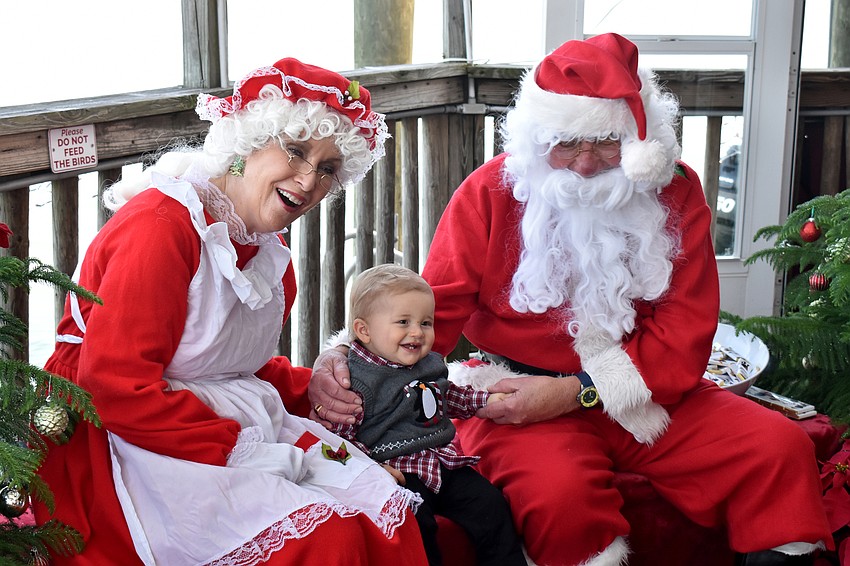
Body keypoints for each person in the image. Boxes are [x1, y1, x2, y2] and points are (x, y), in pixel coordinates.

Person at [308, 33, 833, 566]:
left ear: (638, 140)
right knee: (562, 498)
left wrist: (577, 391)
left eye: (606, 141)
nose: (584, 164)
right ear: (537, 140)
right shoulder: (491, 190)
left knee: (777, 450)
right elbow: (431, 308)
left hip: (645, 387)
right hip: (512, 395)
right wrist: (351, 360)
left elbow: (685, 331)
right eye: (565, 143)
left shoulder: (675, 191)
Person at [33, 57, 429, 566]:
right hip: (122, 440)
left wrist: (308, 385)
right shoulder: (160, 229)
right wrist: (242, 452)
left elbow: (223, 362)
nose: (308, 182)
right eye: (295, 150)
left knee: (381, 504)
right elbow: (114, 385)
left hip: (200, 420)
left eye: (328, 168)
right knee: (326, 537)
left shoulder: (265, 249)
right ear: (246, 142)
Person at [328, 264, 525, 566]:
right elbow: (340, 436)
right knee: (417, 526)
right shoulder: (357, 380)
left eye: (426, 322)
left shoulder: (429, 364)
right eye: (403, 322)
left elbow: (447, 396)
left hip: (443, 464)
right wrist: (369, 469)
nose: (417, 332)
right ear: (363, 330)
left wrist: (485, 399)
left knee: (491, 505)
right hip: (397, 473)